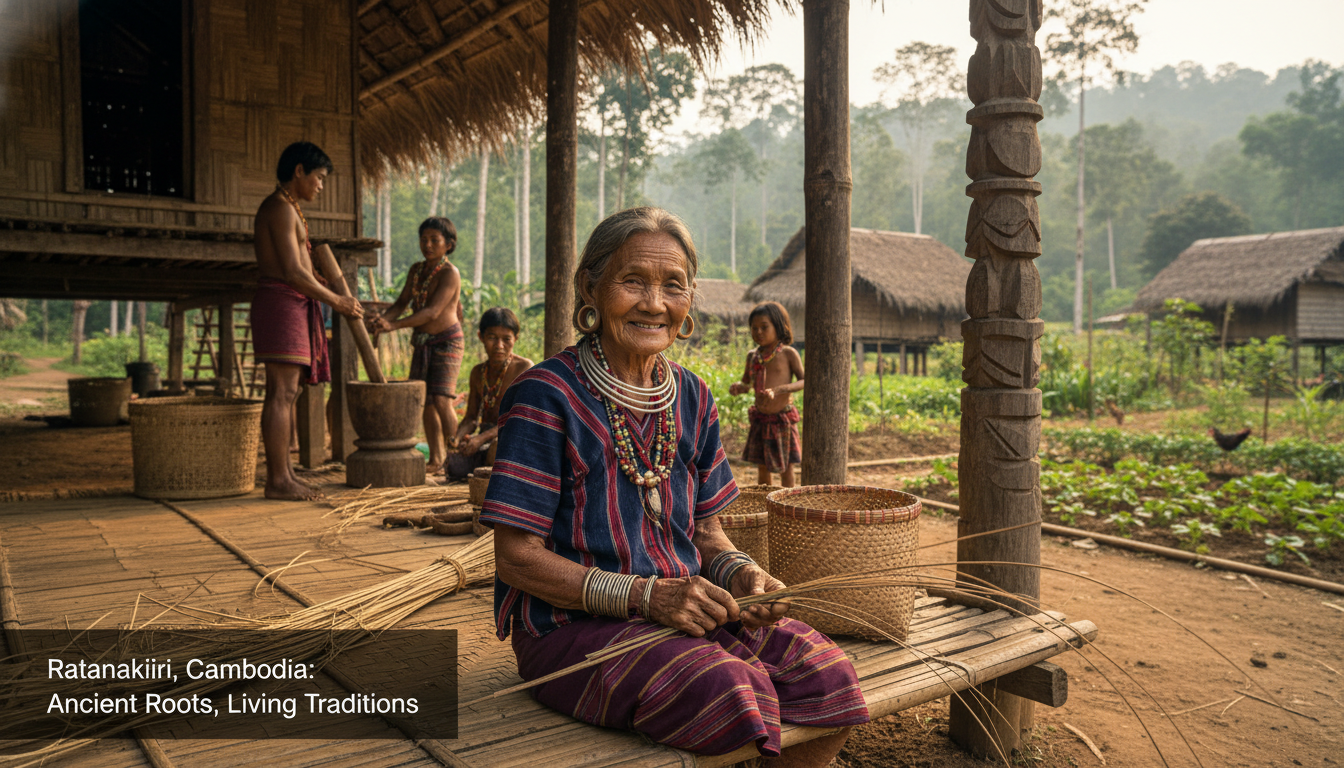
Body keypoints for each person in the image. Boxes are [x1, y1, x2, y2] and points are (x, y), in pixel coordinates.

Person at [479, 208, 867, 764]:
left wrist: (744, 575)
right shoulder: (544, 396)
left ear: (689, 302)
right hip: (570, 628)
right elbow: (516, 559)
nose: (654, 303)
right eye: (633, 281)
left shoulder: (693, 397)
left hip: (683, 608)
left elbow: (706, 531)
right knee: (725, 691)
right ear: (591, 287)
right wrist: (646, 596)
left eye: (673, 286)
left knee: (828, 678)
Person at [252, 141, 364, 501]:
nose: (320, 185)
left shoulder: (289, 208)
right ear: (299, 171)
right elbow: (294, 273)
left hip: (291, 304)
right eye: (319, 177)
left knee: (289, 392)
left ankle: (283, 474)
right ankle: (278, 480)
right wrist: (339, 301)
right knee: (282, 392)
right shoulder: (279, 209)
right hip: (282, 301)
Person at [372, 217, 464, 474]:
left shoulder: (449, 273)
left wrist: (394, 326)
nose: (428, 244)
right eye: (424, 239)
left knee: (442, 399)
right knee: (426, 401)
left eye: (435, 240)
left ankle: (456, 460)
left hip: (448, 340)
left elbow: (433, 312)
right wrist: (383, 320)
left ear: (449, 244)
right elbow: (401, 304)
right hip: (423, 342)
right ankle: (436, 459)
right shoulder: (416, 270)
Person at [445, 307, 533, 480]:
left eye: (506, 339)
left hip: (513, 436)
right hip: (485, 438)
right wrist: (459, 438)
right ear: (481, 337)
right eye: (492, 338)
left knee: (497, 448)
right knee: (453, 466)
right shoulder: (478, 373)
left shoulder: (524, 368)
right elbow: (471, 418)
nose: (499, 346)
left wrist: (481, 439)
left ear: (515, 339)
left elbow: (519, 418)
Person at [728, 302, 805, 487]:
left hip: (781, 420)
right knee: (762, 467)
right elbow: (747, 383)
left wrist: (779, 390)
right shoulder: (753, 356)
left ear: (779, 327)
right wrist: (739, 387)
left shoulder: (788, 354)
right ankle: (767, 505)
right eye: (754, 328)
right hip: (761, 420)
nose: (759, 332)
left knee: (786, 467)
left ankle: (787, 506)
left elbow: (804, 380)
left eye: (764, 327)